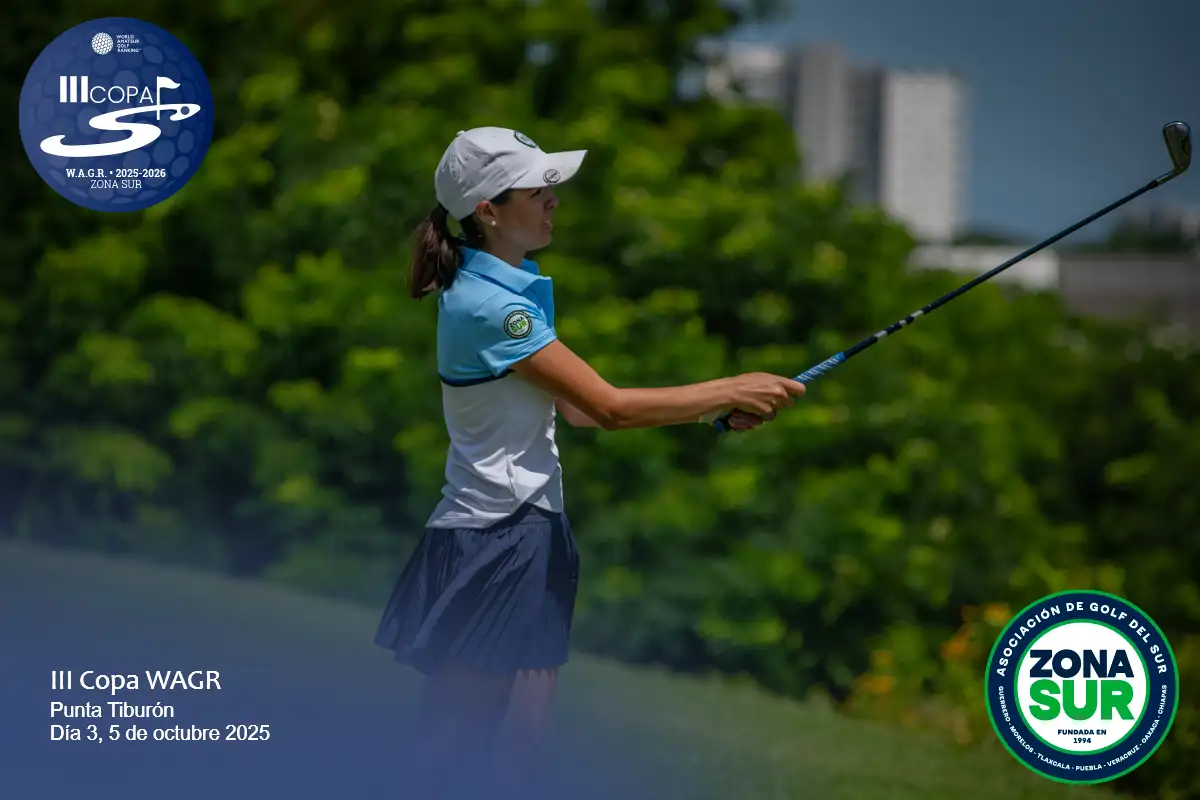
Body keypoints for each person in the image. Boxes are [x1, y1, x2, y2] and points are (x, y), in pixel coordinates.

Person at [373, 126, 806, 798]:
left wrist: (711, 413)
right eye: (536, 191)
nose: (553, 200)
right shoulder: (492, 307)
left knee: (519, 752)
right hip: (494, 537)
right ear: (489, 211)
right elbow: (608, 408)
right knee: (450, 748)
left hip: (533, 533)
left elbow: (576, 411)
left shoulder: (511, 290)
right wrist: (731, 386)